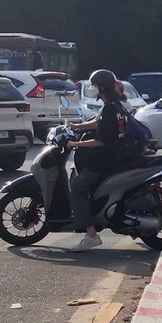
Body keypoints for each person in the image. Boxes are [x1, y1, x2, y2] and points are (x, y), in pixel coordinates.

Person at [64, 69, 132, 252]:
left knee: (78, 187)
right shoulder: (114, 105)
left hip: (104, 159)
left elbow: (101, 140)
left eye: (94, 86)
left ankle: (91, 235)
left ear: (101, 87)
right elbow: (99, 123)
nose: (92, 89)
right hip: (115, 155)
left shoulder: (110, 108)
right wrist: (77, 126)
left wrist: (76, 144)